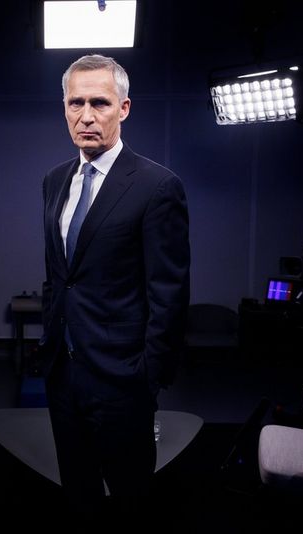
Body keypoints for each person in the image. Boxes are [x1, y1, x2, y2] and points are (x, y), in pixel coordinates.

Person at [38, 54, 190, 531]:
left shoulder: (157, 186)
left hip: (123, 379)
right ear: (64, 107)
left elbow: (169, 291)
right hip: (63, 372)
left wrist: (149, 375)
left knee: (130, 499)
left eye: (99, 103)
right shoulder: (54, 181)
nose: (86, 115)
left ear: (123, 109)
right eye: (75, 102)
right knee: (77, 492)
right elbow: (61, 276)